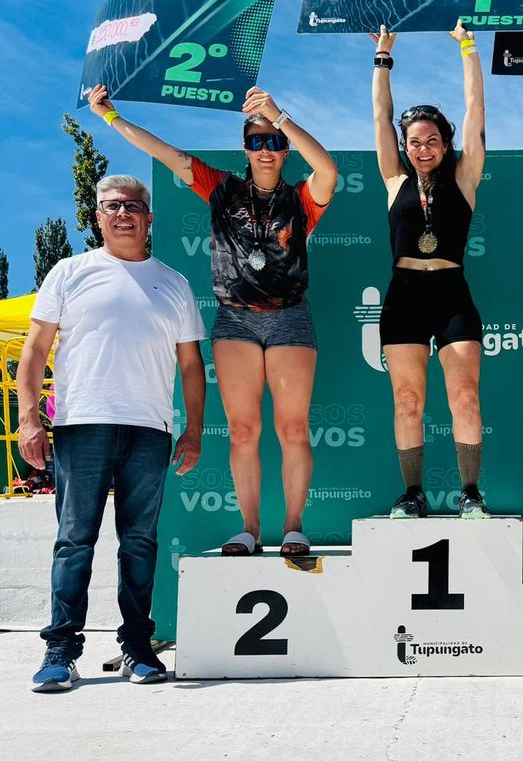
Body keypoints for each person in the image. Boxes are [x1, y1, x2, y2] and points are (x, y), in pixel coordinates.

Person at [87, 84, 338, 557]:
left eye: (274, 142)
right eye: (257, 141)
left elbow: (327, 168)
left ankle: (293, 528)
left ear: (285, 149)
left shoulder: (303, 199)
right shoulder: (221, 188)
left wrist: (278, 116)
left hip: (289, 319)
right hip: (235, 322)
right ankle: (248, 529)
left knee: (292, 429)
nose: (266, 150)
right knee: (242, 430)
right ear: (246, 147)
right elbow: (163, 152)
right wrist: (109, 116)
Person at [18, 175, 206, 691]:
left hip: (150, 429)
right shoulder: (69, 272)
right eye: (111, 206)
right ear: (97, 217)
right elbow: (35, 351)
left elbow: (191, 366)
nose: (122, 213)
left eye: (133, 206)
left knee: (140, 543)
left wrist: (193, 429)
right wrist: (29, 417)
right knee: (74, 541)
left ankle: (137, 648)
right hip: (81, 425)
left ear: (150, 218)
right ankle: (60, 650)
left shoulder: (174, 283)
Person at [370, 21, 488, 518]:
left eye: (433, 140)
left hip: (451, 292)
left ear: (446, 143)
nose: (423, 148)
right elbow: (380, 115)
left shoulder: (464, 177)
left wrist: (467, 48)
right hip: (404, 294)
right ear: (405, 145)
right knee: (407, 400)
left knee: (464, 395)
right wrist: (383, 57)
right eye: (415, 141)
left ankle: (470, 492)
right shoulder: (394, 178)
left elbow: (476, 112)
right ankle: (412, 493)